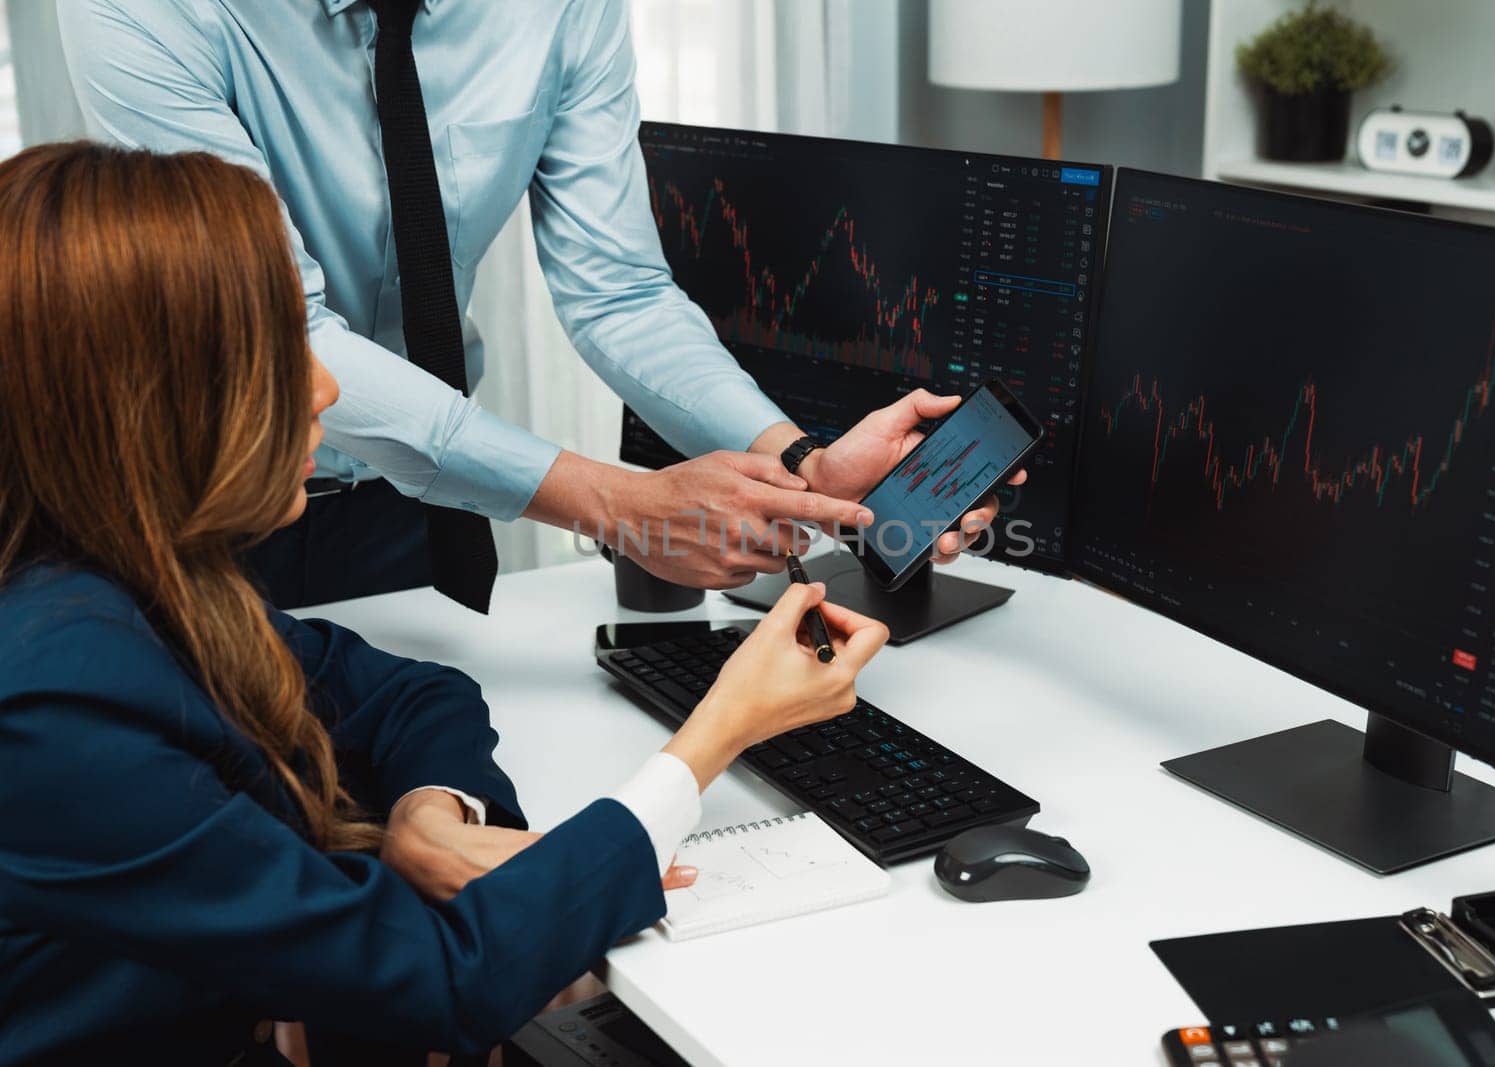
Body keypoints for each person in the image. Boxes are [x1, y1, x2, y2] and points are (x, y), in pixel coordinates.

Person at [0, 143, 889, 1065]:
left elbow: (407, 693)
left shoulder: (130, 585)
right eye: (273, 348)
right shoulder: (57, 701)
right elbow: (445, 979)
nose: (327, 388)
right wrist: (716, 735)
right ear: (146, 400)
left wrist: (430, 814)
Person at [58, 0, 1022, 612]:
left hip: (407, 504)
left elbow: (619, 291)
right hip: (192, 509)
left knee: (421, 801)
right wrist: (619, 505)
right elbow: (280, 333)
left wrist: (802, 465)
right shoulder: (144, 12)